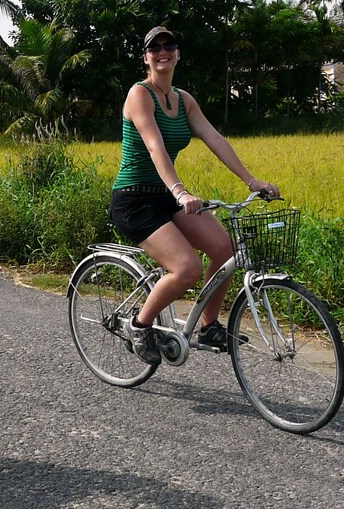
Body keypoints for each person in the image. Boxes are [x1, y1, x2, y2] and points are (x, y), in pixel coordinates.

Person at [111, 26, 280, 365]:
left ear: (177, 53)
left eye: (169, 45)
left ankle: (209, 325)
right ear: (146, 57)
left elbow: (216, 140)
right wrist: (180, 190)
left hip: (166, 196)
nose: (163, 51)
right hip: (133, 200)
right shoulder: (139, 94)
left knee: (224, 248)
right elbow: (154, 145)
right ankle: (140, 325)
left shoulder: (184, 100)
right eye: (154, 47)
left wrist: (251, 180)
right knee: (186, 268)